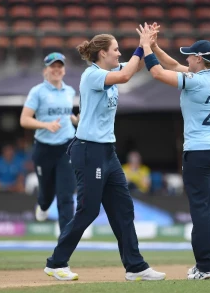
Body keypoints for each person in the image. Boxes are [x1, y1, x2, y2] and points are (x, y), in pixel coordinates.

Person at [44, 33, 166, 281]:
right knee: (88, 211)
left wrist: (148, 46)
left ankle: (135, 267)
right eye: (116, 50)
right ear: (102, 54)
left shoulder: (109, 71)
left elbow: (135, 66)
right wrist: (141, 47)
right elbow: (125, 75)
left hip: (107, 152)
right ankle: (56, 263)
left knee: (123, 209)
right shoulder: (93, 75)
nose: (119, 53)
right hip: (89, 150)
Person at [138, 23, 210, 280]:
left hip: (200, 151)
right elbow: (174, 66)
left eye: (190, 55)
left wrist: (145, 47)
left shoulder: (195, 81)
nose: (186, 58)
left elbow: (158, 72)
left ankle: (208, 265)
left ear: (199, 60)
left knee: (200, 210)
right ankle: (205, 264)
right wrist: (155, 46)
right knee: (205, 209)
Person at [20, 52, 78, 234]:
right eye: (53, 66)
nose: (57, 69)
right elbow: (24, 120)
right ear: (45, 70)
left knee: (66, 195)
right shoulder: (37, 91)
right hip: (44, 148)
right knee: (46, 193)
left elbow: (65, 114)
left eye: (60, 66)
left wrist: (74, 120)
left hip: (67, 146)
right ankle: (43, 206)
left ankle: (66, 241)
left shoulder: (69, 91)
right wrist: (46, 125)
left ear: (64, 70)